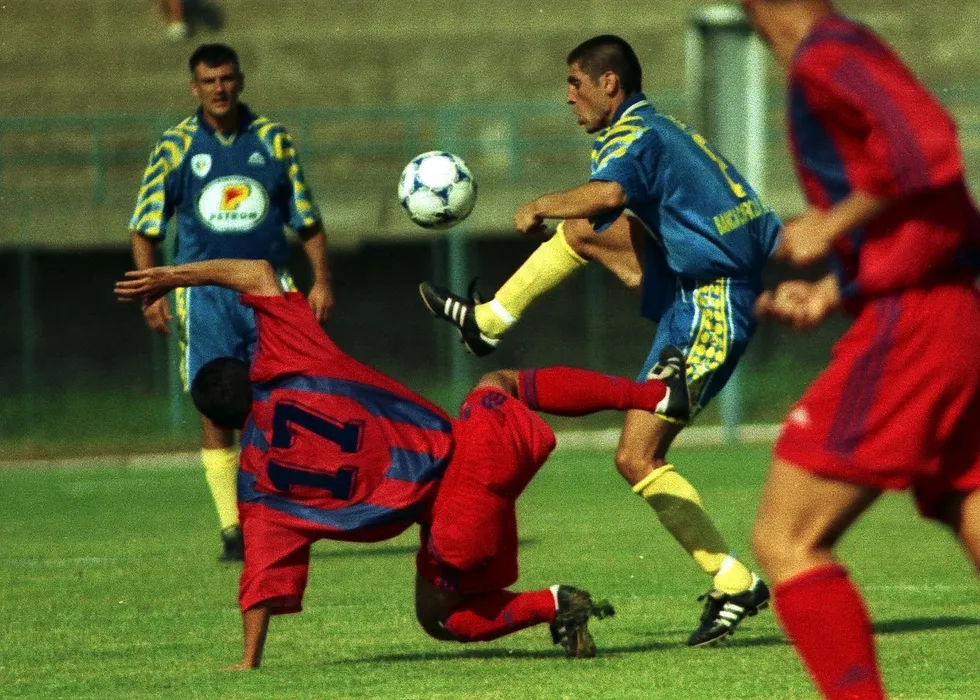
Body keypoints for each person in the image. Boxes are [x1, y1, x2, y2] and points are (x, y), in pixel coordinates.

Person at [115, 257, 694, 668]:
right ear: (249, 370)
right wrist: (175, 275)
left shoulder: (258, 486)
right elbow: (260, 273)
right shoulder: (289, 355)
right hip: (483, 449)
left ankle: (551, 604)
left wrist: (249, 661)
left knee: (440, 618)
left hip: (454, 522)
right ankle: (654, 394)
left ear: (222, 420)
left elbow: (262, 583)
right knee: (499, 380)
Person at [420, 34, 776, 646]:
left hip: (711, 302)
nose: (568, 97)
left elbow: (611, 194)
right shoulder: (659, 128)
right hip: (692, 284)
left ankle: (734, 581)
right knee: (583, 229)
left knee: (637, 457)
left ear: (609, 83)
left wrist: (541, 204)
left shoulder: (634, 137)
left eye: (575, 83)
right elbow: (619, 212)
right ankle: (489, 321)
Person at [741, 2, 980, 698]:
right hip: (952, 309)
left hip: (918, 324)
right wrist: (835, 288)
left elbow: (928, 146)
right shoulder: (840, 49)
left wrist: (831, 223)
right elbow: (928, 212)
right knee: (964, 495)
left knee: (786, 539)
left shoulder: (827, 54)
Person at [128, 43, 334, 561]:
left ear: (240, 81)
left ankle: (281, 516)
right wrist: (152, 291)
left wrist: (321, 283)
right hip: (204, 298)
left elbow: (307, 221)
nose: (219, 89)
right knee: (215, 406)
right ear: (194, 87)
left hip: (269, 292)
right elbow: (145, 227)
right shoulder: (175, 146)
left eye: (226, 78)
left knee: (284, 402)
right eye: (208, 80)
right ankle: (232, 530)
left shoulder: (272, 140)